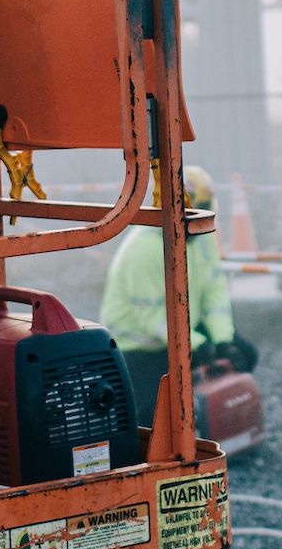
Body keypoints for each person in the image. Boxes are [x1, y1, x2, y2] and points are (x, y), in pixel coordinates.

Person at [97, 165, 252, 428]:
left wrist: (223, 339)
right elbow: (153, 319)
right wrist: (199, 344)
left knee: (246, 355)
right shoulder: (144, 249)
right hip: (139, 347)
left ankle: (218, 421)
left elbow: (215, 296)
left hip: (182, 333)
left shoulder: (201, 238)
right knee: (147, 417)